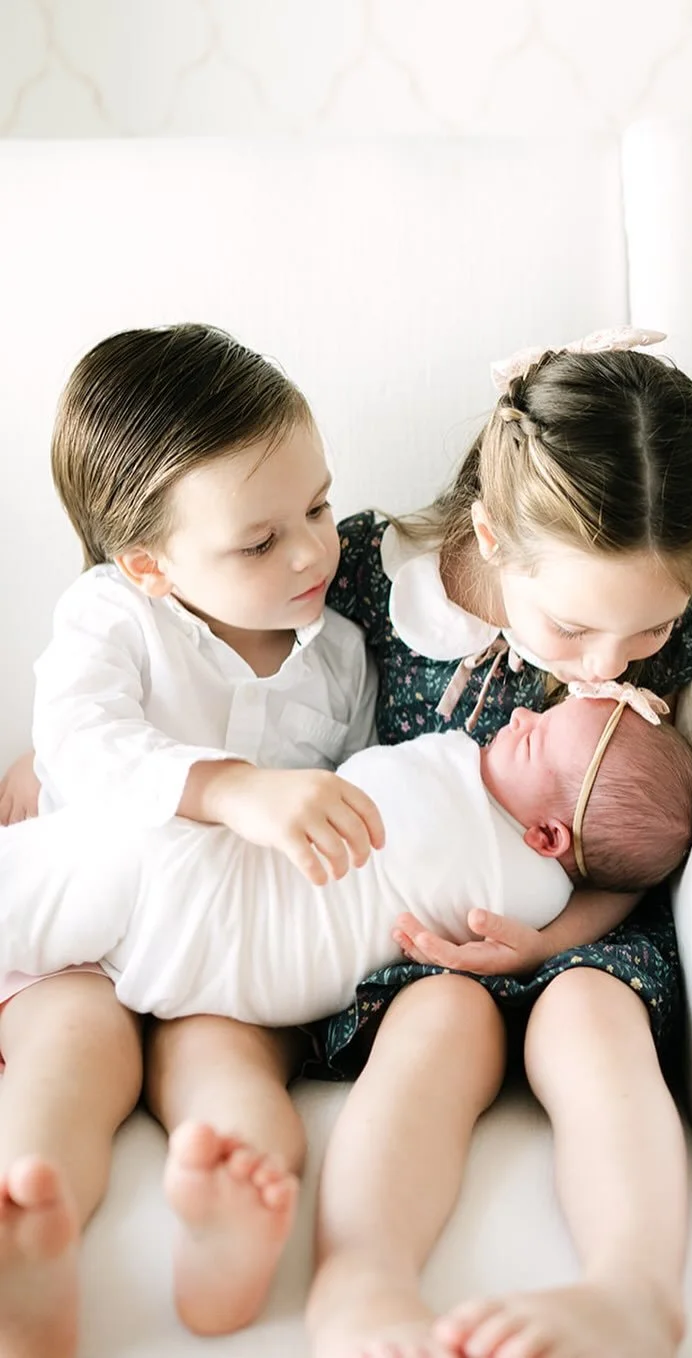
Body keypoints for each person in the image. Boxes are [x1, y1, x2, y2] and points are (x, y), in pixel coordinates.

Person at [303, 327, 692, 1358]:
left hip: (572, 933)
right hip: (422, 939)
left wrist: (549, 944)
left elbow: (640, 842)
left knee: (592, 1011)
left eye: (642, 632)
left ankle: (633, 1287)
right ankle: (361, 1280)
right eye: (576, 625)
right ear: (494, 539)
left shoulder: (665, 627)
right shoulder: (370, 573)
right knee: (438, 1019)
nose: (605, 663)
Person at [0, 323, 382, 1357]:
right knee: (68, 1052)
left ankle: (230, 1207)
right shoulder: (110, 617)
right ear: (149, 565)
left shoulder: (339, 657)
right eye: (259, 541)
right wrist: (227, 789)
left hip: (223, 951)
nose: (311, 550)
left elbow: (356, 800)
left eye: (318, 506)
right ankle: (29, 1225)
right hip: (89, 931)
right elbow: (80, 737)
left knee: (229, 1069)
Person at [0, 688, 692, 1028]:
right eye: (539, 715)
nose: (517, 718)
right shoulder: (540, 897)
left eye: (534, 740)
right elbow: (617, 877)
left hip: (207, 897)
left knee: (110, 855)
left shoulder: (477, 837)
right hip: (247, 979)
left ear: (547, 838)